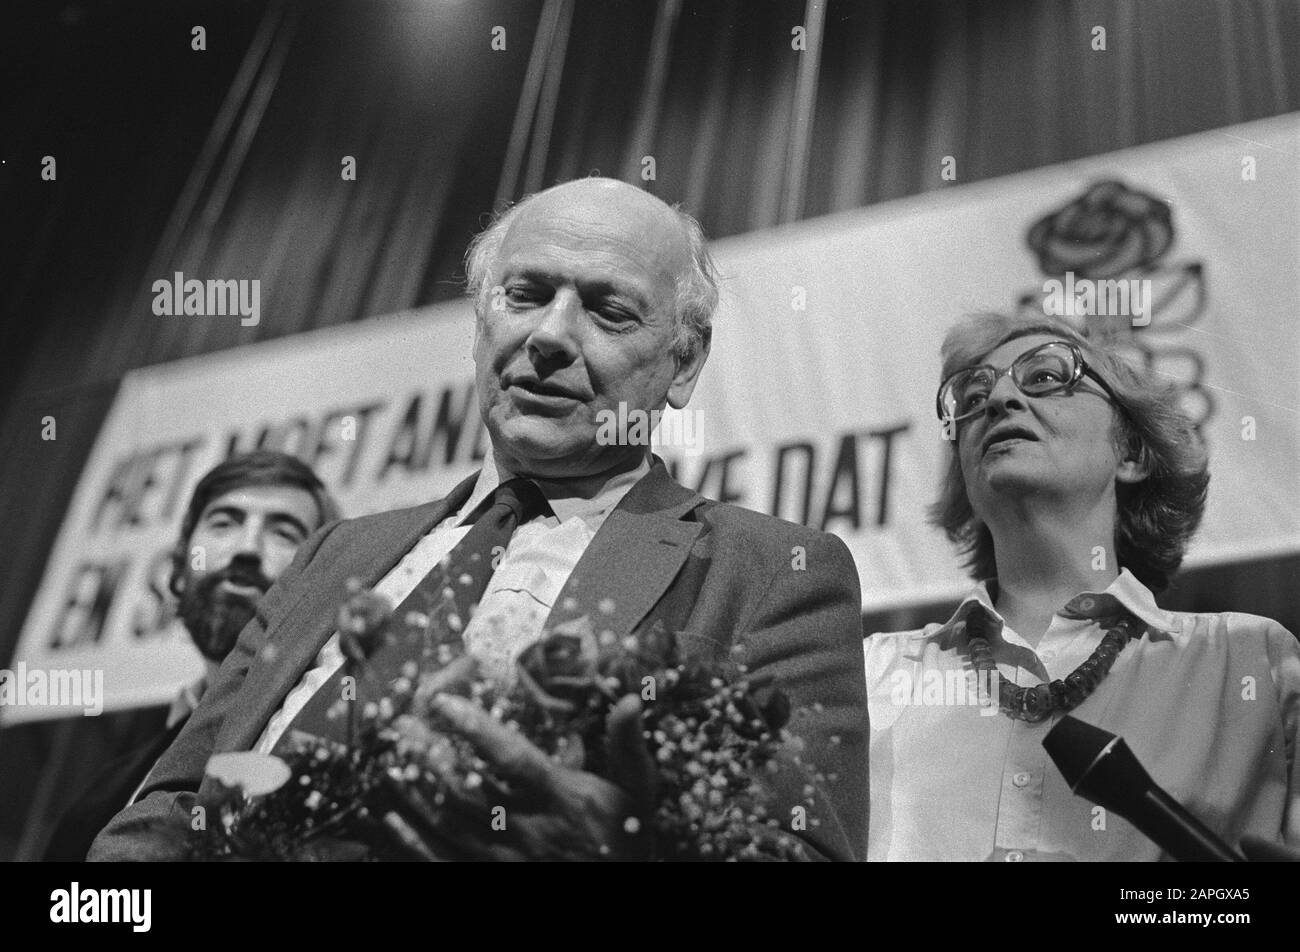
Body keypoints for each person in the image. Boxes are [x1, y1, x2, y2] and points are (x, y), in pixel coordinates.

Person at [90, 177, 868, 862]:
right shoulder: (335, 551)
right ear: (478, 324)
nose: (551, 337)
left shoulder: (772, 570)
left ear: (684, 362)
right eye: (524, 295)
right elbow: (167, 806)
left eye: (607, 309)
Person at [865, 311, 1300, 861]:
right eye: (972, 396)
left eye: (1045, 377)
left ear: (1133, 453)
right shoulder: (868, 678)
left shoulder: (1254, 664)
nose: (998, 399)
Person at [43, 451, 339, 861]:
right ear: (180, 565)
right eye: (224, 523)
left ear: (321, 576)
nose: (247, 549)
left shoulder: (331, 742)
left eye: (284, 533)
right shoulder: (106, 792)